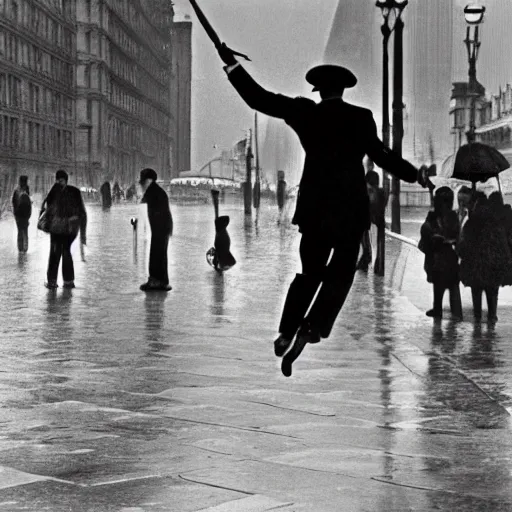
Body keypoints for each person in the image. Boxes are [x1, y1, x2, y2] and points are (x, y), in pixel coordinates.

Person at [218, 44, 427, 376]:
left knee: (309, 273)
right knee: (340, 275)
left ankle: (287, 329)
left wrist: (230, 64)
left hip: (315, 209)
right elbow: (383, 156)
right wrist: (415, 174)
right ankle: (313, 326)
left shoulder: (306, 113)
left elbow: (258, 98)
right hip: (350, 209)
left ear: (318, 90)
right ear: (343, 90)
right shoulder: (361, 118)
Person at [458, 191, 512, 322]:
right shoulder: (496, 222)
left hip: (475, 265)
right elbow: (503, 245)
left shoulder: (471, 223)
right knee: (492, 292)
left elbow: (463, 245)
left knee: (476, 292)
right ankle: (492, 317)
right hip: (494, 264)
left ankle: (477, 318)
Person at [419, 187, 462, 320]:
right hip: (439, 256)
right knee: (441, 285)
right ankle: (440, 309)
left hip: (445, 256)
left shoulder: (452, 216)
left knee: (450, 285)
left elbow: (457, 234)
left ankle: (452, 311)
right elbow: (425, 230)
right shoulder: (435, 216)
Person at [43, 170, 87, 289]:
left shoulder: (74, 192)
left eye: (60, 180)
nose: (58, 183)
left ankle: (66, 281)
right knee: (55, 252)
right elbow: (47, 207)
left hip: (69, 229)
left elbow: (82, 212)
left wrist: (83, 234)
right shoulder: (54, 192)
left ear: (66, 180)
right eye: (57, 180)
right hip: (57, 228)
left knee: (64, 252)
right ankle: (55, 281)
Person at [139, 168, 173, 291]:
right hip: (160, 227)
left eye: (143, 181)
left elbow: (159, 212)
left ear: (149, 180)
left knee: (157, 254)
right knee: (158, 254)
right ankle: (158, 280)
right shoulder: (154, 191)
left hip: (161, 227)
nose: (141, 184)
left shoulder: (155, 192)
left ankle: (157, 281)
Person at [11, 175, 32, 252]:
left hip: (19, 214)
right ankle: (25, 248)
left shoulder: (17, 190)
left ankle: (20, 248)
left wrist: (15, 211)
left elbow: (13, 202)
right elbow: (28, 204)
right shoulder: (26, 189)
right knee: (25, 231)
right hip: (24, 215)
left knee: (20, 231)